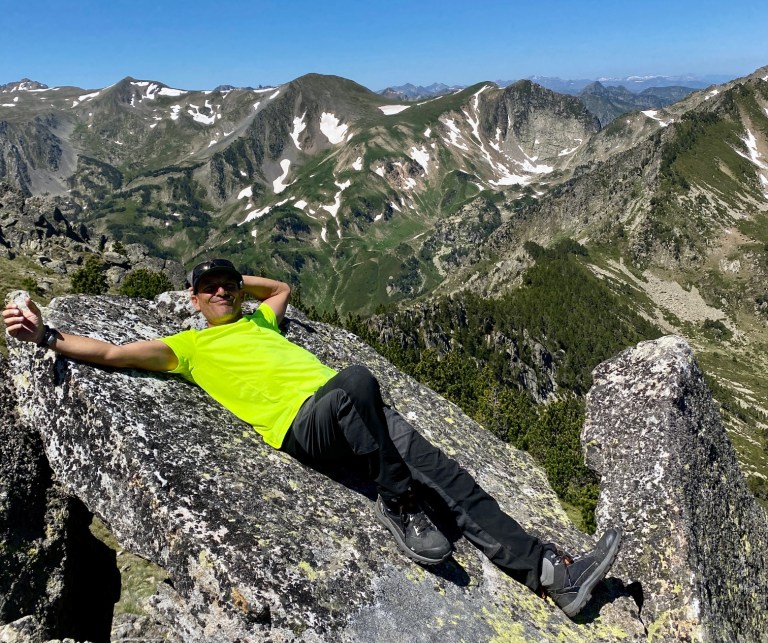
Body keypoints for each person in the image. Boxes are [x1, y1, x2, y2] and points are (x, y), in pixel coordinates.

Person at [3, 257, 621, 619]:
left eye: (227, 287)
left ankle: (549, 572)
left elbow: (281, 291)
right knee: (357, 380)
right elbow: (110, 351)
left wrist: (240, 279)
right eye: (209, 288)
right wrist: (45, 336)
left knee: (454, 481)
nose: (222, 293)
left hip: (356, 414)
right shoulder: (187, 347)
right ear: (193, 301)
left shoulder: (258, 318)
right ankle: (399, 504)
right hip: (306, 423)